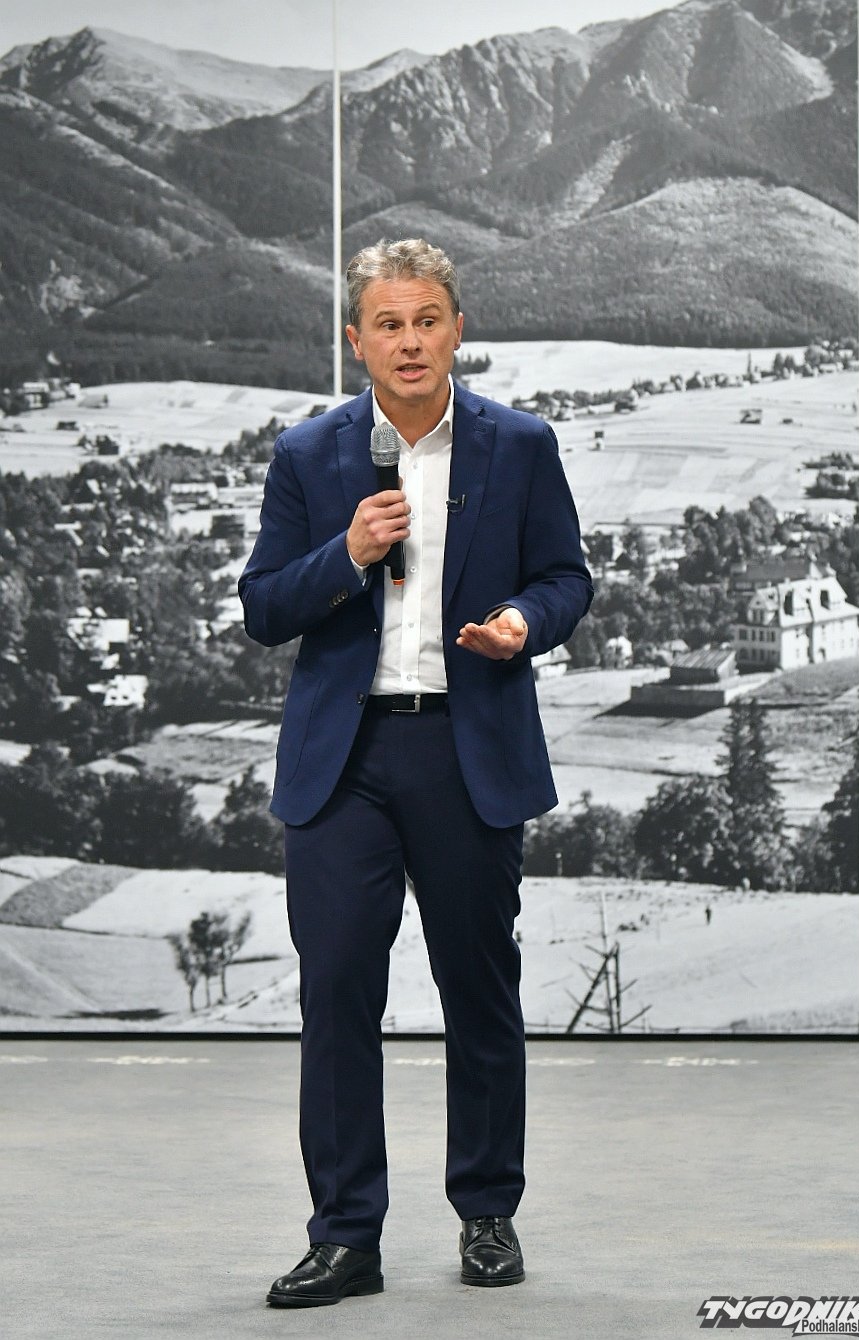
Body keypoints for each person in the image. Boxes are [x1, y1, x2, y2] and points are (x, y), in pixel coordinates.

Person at [239, 237, 593, 1307]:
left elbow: (565, 577)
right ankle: (346, 1236)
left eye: (426, 319)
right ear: (356, 340)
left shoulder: (518, 445)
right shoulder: (307, 455)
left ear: (456, 330)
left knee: (478, 992)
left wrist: (524, 620)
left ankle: (486, 1215)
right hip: (343, 763)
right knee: (337, 994)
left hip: (464, 748)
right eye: (387, 324)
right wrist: (345, 552)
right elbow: (264, 607)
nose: (408, 340)